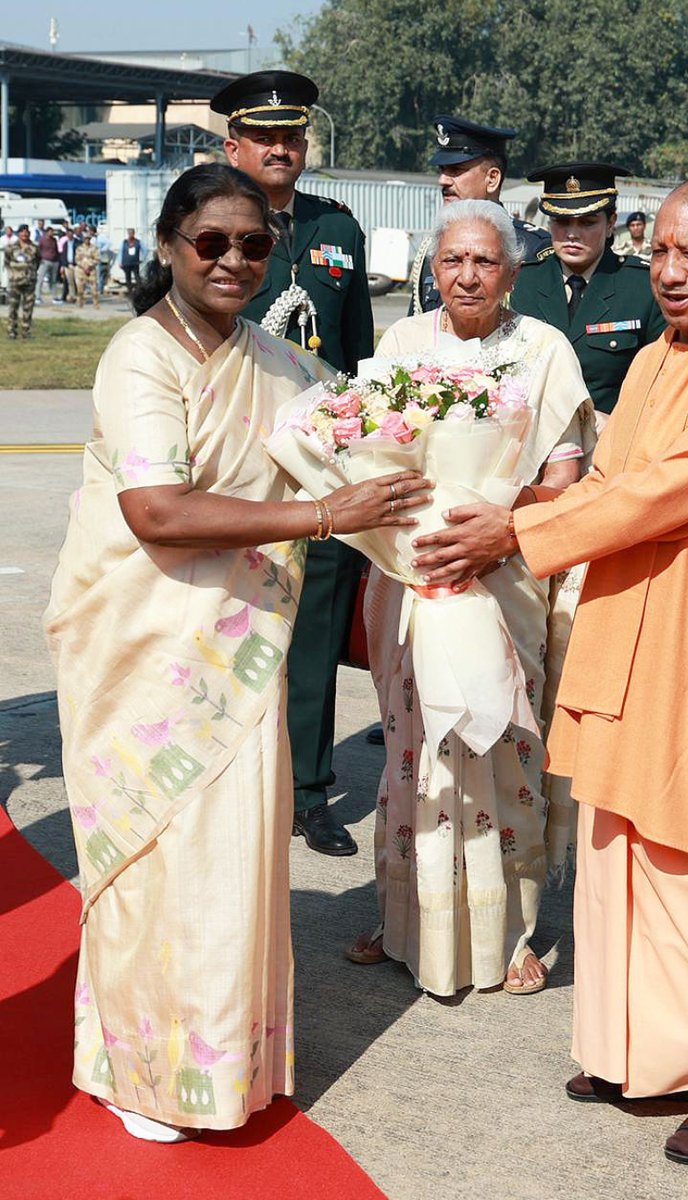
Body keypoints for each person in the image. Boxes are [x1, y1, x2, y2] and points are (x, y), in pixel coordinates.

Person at [410, 176, 688, 1164]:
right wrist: (507, 505)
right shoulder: (649, 365)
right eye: (663, 254)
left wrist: (517, 530)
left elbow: (666, 495)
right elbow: (609, 481)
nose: (672, 274)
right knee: (620, 863)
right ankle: (641, 1053)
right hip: (632, 642)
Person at [42, 163, 431, 1144]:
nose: (233, 260)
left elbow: (365, 451)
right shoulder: (143, 356)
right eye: (211, 241)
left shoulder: (280, 362)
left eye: (253, 244)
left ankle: (224, 1064)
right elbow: (157, 510)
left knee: (229, 867)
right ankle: (141, 1072)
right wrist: (320, 514)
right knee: (155, 861)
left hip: (242, 654)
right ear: (173, 245)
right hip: (143, 649)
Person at [347, 199, 595, 997]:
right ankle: (402, 918)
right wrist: (416, 537)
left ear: (513, 273)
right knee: (414, 756)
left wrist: (499, 529)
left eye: (485, 262)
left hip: (506, 576)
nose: (467, 275)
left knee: (501, 747)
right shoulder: (401, 343)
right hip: (411, 573)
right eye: (452, 259)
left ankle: (509, 930)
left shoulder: (544, 349)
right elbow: (368, 458)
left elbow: (564, 477)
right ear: (432, 267)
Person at [211, 69, 375, 856]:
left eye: (293, 135)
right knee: (230, 627)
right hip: (237, 464)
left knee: (314, 632)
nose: (282, 148)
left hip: (321, 465)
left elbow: (360, 355)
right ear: (232, 142)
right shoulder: (206, 222)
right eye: (265, 135)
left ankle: (308, 792)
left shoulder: (338, 227)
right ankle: (228, 779)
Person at [510, 163, 666, 416]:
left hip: (610, 442)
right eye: (562, 221)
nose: (572, 234)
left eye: (587, 222)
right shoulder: (521, 283)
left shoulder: (642, 288)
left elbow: (662, 382)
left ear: (611, 223)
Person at [408, 114, 551, 315]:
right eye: (442, 170)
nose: (443, 180)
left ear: (492, 179)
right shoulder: (434, 247)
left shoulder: (532, 249)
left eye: (456, 170)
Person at [5, 224, 39, 339]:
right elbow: (7, 262)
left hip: (29, 282)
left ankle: (26, 331)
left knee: (28, 307)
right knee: (13, 307)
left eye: (26, 232)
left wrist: (30, 272)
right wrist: (14, 273)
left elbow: (38, 261)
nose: (25, 234)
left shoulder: (34, 247)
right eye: (22, 232)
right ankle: (12, 331)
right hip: (15, 282)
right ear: (18, 233)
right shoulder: (11, 247)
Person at [34, 226, 60, 303]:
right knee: (40, 279)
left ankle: (54, 297)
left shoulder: (54, 240)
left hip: (54, 261)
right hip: (44, 261)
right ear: (47, 232)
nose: (52, 233)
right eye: (51, 232)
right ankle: (37, 297)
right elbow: (38, 250)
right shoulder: (42, 240)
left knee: (53, 280)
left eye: (53, 232)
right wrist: (40, 259)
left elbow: (56, 250)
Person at [75, 233, 100, 308]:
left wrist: (90, 266)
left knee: (94, 289)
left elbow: (97, 259)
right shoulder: (79, 248)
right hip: (81, 270)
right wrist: (83, 267)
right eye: (85, 238)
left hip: (91, 270)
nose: (87, 240)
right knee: (80, 289)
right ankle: (80, 303)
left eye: (88, 238)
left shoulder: (94, 248)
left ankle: (96, 304)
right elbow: (77, 259)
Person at [120, 228, 143, 293]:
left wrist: (142, 258)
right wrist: (120, 262)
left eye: (131, 233)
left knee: (137, 277)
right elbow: (121, 252)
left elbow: (145, 250)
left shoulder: (138, 242)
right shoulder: (124, 242)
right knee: (128, 277)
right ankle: (129, 290)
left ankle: (140, 290)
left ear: (134, 233)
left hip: (135, 263)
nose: (130, 234)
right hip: (126, 263)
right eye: (129, 233)